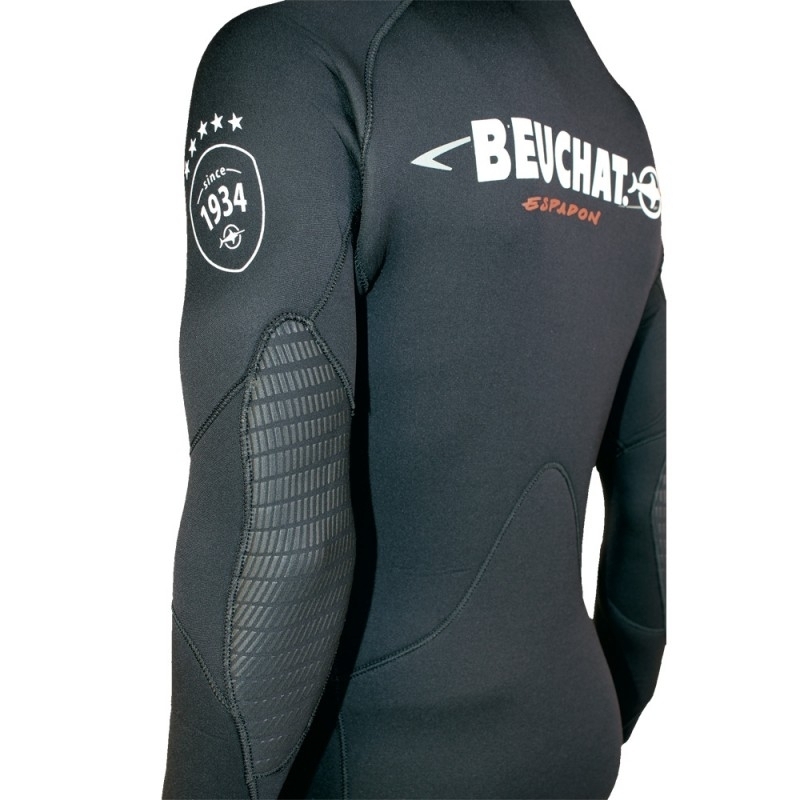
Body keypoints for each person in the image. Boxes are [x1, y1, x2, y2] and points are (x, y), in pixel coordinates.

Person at [163, 2, 667, 798]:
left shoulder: (288, 62)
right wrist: (594, 716)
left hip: (379, 761)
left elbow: (276, 533)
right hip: (573, 733)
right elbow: (651, 496)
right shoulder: (617, 121)